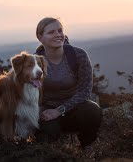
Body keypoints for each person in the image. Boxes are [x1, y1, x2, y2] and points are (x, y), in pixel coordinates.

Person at [35, 17, 102, 150]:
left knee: (92, 110)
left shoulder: (78, 55)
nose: (58, 35)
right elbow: (29, 93)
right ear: (40, 37)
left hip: (75, 107)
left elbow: (85, 91)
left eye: (60, 31)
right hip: (47, 110)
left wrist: (59, 110)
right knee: (49, 130)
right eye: (51, 32)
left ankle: (86, 148)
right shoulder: (34, 62)